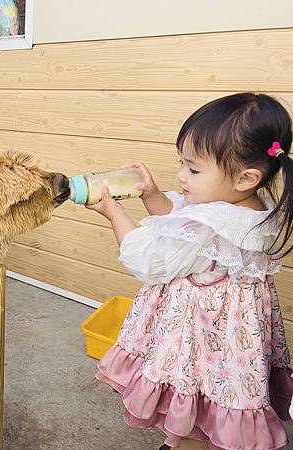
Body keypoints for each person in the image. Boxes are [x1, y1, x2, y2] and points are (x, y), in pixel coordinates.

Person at [89, 93, 293, 449]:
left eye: (194, 169)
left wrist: (114, 214)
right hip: (234, 342)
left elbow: (150, 262)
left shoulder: (210, 224)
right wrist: (151, 194)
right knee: (220, 395)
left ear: (246, 177)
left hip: (200, 337)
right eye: (181, 162)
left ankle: (190, 442)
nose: (182, 175)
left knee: (197, 398)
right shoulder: (256, 208)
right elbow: (179, 217)